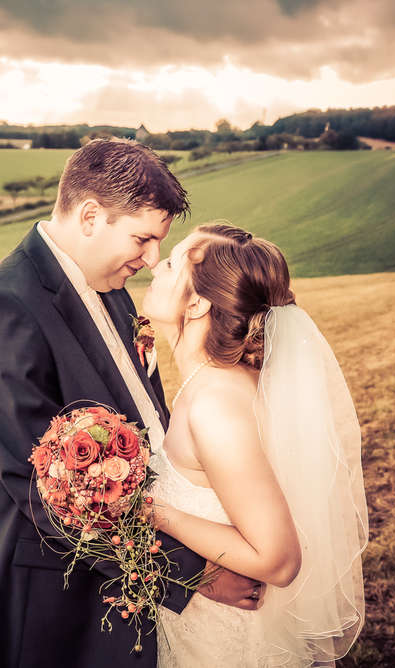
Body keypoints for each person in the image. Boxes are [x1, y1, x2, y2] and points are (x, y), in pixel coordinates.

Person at [0, 140, 262, 668]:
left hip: (128, 588)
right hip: (48, 602)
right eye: (142, 239)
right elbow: (45, 491)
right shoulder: (2, 310)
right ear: (90, 216)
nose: (151, 260)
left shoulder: (111, 283)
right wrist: (193, 572)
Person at [142, 223, 369, 667]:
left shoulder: (216, 407)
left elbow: (279, 559)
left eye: (170, 264)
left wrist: (156, 514)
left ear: (198, 302)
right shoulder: (211, 386)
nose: (155, 267)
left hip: (224, 646)